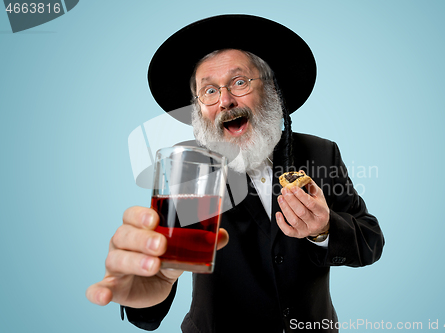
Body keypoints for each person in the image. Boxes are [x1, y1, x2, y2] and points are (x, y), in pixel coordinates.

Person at [86, 14, 384, 332]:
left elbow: (370, 242)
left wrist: (324, 228)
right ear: (198, 108)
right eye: (209, 91)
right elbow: (164, 273)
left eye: (239, 82)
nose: (225, 100)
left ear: (271, 91)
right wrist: (147, 289)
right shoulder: (190, 171)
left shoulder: (321, 153)